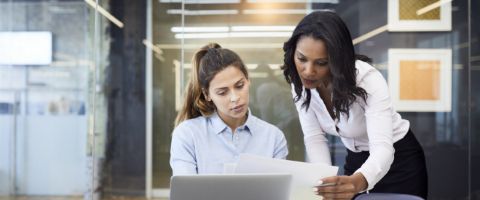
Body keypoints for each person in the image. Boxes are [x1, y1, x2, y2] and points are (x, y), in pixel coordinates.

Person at [281, 11, 428, 199]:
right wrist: (324, 183)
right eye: (302, 59)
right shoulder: (300, 83)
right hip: (356, 160)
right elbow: (314, 138)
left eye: (321, 63)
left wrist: (358, 181)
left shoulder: (367, 79)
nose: (308, 71)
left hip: (398, 160)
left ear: (336, 60)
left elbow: (383, 148)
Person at [170, 43, 288, 175]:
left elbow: (277, 193)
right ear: (207, 94)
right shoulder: (188, 134)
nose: (235, 98)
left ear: (248, 80)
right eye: (222, 92)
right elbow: (186, 192)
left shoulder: (273, 137)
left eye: (239, 86)